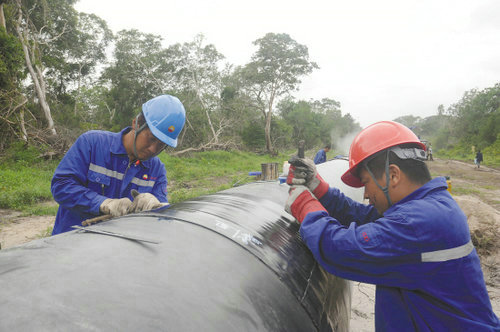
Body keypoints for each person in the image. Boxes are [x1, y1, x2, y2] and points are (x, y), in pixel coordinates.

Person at [285, 121, 499, 331]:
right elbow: (362, 216)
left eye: (366, 182)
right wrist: (318, 187)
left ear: (393, 175)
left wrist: (305, 204)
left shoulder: (417, 223)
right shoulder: (431, 206)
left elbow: (339, 249)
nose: (366, 194)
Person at [51, 95, 186, 235]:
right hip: (71, 241)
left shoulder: (156, 170)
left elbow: (161, 217)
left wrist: (157, 207)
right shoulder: (92, 144)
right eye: (151, 138)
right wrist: (103, 204)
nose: (153, 149)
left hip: (119, 249)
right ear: (136, 124)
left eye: (161, 145)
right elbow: (61, 186)